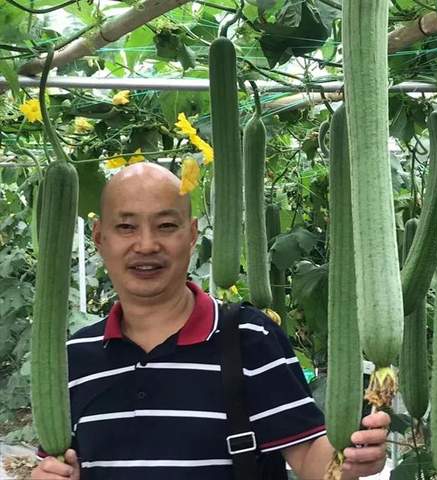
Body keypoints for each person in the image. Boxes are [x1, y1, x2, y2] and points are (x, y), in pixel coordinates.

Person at [31, 162, 390, 480]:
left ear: (191, 234)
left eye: (166, 225)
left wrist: (350, 459)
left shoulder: (251, 338)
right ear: (99, 237)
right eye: (126, 227)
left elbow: (312, 460)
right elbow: (60, 463)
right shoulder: (73, 357)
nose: (146, 245)